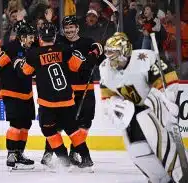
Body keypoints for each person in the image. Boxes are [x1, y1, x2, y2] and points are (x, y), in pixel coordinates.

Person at [13, 23, 102, 169]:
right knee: (73, 130)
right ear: (54, 36)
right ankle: (86, 158)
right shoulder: (65, 49)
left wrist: (18, 64)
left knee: (49, 130)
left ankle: (64, 160)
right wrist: (94, 53)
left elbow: (24, 73)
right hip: (67, 100)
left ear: (40, 37)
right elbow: (80, 66)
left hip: (47, 103)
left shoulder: (34, 54)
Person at [99, 32, 185, 183]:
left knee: (160, 140)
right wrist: (112, 103)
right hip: (133, 111)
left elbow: (168, 79)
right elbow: (107, 94)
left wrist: (167, 100)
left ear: (125, 50)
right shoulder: (105, 68)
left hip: (152, 108)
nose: (110, 57)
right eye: (108, 52)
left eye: (114, 52)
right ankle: (159, 178)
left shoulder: (145, 58)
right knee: (137, 150)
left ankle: (179, 173)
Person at [41, 15, 104, 167]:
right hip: (65, 91)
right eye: (66, 28)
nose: (69, 30)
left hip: (85, 90)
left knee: (84, 123)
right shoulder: (59, 42)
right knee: (58, 124)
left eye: (72, 27)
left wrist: (96, 53)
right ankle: (48, 152)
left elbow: (100, 55)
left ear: (77, 28)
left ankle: (74, 152)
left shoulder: (87, 42)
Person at [0, 21, 36, 170]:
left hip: (26, 92)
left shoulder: (32, 49)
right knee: (15, 124)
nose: (32, 39)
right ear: (22, 37)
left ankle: (19, 154)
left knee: (26, 124)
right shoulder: (9, 48)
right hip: (10, 91)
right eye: (30, 37)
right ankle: (11, 153)